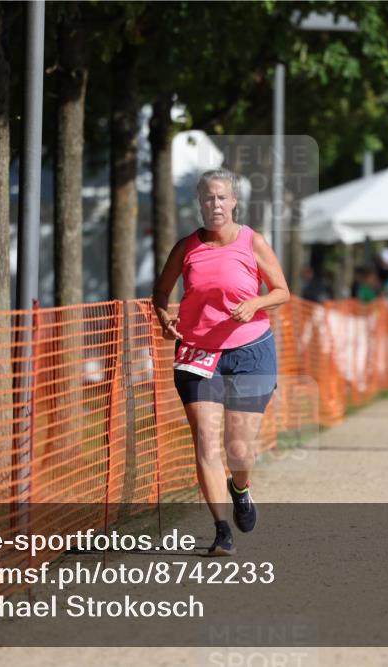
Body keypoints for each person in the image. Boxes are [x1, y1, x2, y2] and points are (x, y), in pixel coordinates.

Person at [152, 168, 289, 557]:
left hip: (250, 350)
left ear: (233, 202)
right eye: (208, 198)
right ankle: (221, 529)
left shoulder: (252, 242)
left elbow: (282, 291)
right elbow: (160, 292)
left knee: (239, 448)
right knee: (206, 444)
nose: (215, 204)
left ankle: (240, 489)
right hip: (197, 353)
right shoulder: (186, 247)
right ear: (200, 203)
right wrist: (165, 319)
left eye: (221, 197)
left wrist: (256, 302)